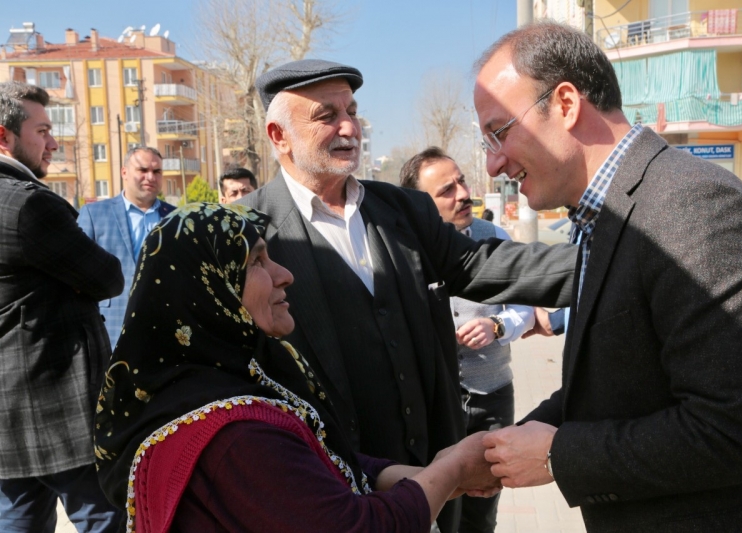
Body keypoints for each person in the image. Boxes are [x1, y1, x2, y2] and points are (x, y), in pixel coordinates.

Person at [473, 21, 742, 532]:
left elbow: (735, 432)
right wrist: (510, 446)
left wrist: (559, 455)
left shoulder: (689, 205)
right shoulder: (611, 215)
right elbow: (620, 384)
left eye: (498, 132)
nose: (493, 164)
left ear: (565, 103)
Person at [237, 59, 576, 533]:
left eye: (352, 111)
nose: (349, 127)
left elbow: (484, 265)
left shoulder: (403, 210)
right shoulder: (243, 233)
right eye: (326, 115)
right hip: (331, 498)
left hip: (434, 484)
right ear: (278, 135)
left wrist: (609, 261)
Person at [94, 202, 501, 533]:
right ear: (210, 290)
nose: (284, 275)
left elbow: (326, 462)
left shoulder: (233, 381)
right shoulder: (233, 436)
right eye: (256, 263)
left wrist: (440, 476)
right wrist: (455, 467)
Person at [399, 146, 549, 533]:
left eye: (461, 180)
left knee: (481, 513)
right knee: (434, 506)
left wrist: (497, 327)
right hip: (435, 404)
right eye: (446, 189)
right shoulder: (403, 252)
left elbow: (525, 308)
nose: (463, 193)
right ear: (419, 204)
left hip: (492, 397)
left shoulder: (492, 236)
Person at [0, 81, 125, 532]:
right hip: (56, 410)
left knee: (16, 521)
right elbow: (107, 276)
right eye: (43, 130)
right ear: (4, 137)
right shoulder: (27, 205)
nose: (54, 143)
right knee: (103, 517)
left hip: (6, 415)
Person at [77, 147, 175, 348]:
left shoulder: (176, 218)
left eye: (157, 172)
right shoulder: (94, 215)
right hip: (110, 328)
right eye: (142, 170)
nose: (150, 177)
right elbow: (78, 273)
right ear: (124, 173)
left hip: (164, 329)